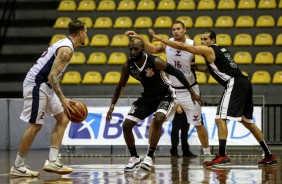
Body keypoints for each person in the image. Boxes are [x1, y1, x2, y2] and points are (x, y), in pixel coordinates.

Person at [148, 28, 277, 167]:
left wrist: (162, 40)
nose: (203, 41)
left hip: (234, 83)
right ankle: (269, 155)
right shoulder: (222, 50)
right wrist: (199, 69)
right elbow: (216, 69)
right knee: (247, 122)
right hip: (244, 82)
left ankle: (222, 156)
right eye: (201, 39)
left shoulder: (209, 50)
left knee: (220, 119)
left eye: (206, 39)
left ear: (213, 40)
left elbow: (183, 46)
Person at [106, 38, 204, 172]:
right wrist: (112, 107)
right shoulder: (128, 65)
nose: (133, 52)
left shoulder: (155, 61)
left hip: (165, 95)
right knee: (126, 125)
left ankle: (149, 157)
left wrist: (192, 92)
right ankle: (134, 158)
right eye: (131, 49)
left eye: (136, 49)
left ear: (143, 50)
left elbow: (177, 72)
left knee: (158, 119)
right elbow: (120, 86)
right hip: (147, 97)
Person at [125, 21, 212, 163]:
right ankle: (149, 154)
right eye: (173, 29)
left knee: (198, 123)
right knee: (156, 120)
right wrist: (140, 38)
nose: (175, 31)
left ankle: (207, 154)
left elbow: (208, 56)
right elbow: (153, 49)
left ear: (184, 30)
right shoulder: (167, 43)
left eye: (178, 29)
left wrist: (203, 67)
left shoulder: (192, 44)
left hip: (189, 89)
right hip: (170, 90)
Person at [9, 19, 88, 177]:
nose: (86, 35)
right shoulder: (67, 49)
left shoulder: (65, 44)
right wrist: (63, 99)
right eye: (86, 32)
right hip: (37, 84)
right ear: (80, 33)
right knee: (35, 125)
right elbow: (52, 75)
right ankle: (18, 166)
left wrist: (61, 97)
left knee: (63, 118)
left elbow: (52, 77)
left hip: (47, 86)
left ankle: (53, 161)